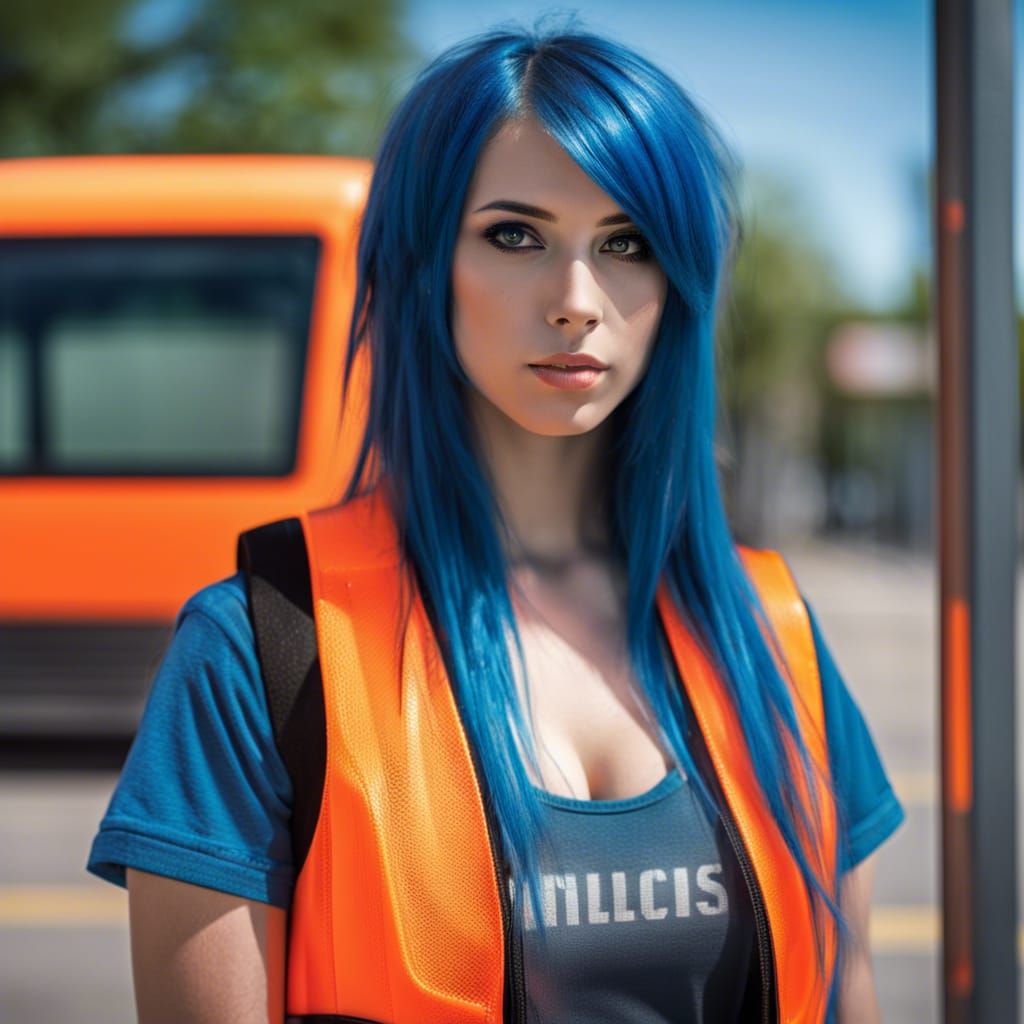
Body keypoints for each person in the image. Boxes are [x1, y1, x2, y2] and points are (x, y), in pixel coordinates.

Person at [87, 20, 904, 1024]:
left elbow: (847, 993)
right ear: (422, 265)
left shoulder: (771, 633)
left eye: (627, 243)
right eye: (515, 234)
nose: (575, 300)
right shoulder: (260, 647)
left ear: (677, 286)